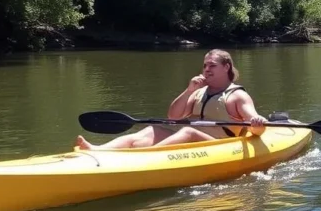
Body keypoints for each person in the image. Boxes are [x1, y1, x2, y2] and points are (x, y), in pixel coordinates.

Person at [75, 49, 268, 149]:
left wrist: (257, 123)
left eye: (212, 66)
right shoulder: (199, 91)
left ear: (226, 67)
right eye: (204, 66)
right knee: (152, 129)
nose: (206, 69)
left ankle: (146, 159)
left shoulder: (237, 96)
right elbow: (173, 117)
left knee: (188, 132)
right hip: (188, 139)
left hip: (217, 144)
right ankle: (99, 149)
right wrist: (189, 89)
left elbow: (256, 128)